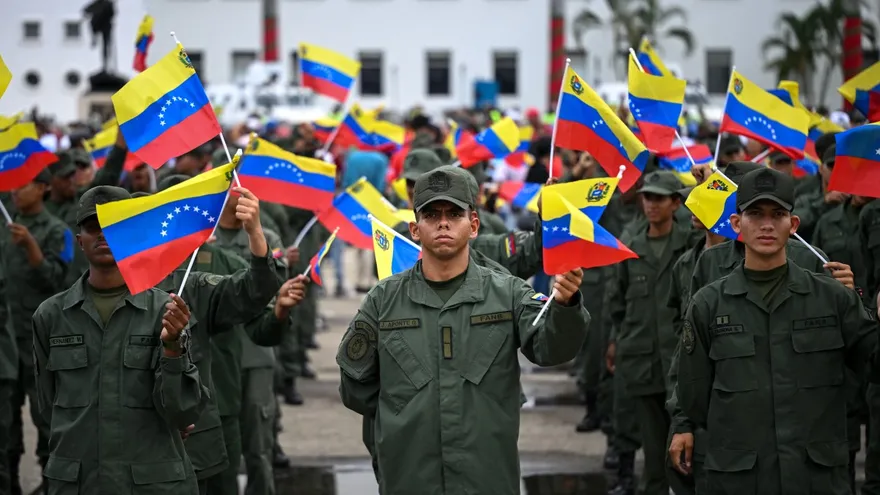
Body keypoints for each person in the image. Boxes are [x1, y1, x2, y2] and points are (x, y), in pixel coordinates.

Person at [337, 166, 590, 494]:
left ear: (472, 226)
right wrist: (403, 419)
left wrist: (566, 305)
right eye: (431, 215)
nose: (442, 222)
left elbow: (550, 348)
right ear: (415, 228)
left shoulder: (507, 293)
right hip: (410, 475)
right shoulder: (384, 299)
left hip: (485, 473)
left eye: (454, 214)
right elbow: (354, 385)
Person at [677, 168, 878, 495]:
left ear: (793, 225)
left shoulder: (832, 298)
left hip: (815, 478)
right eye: (755, 214)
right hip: (740, 479)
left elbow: (873, 363)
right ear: (736, 224)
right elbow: (692, 396)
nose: (767, 224)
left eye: (778, 214)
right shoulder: (709, 304)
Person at [32, 185, 206, 494]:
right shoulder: (51, 315)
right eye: (92, 227)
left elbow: (183, 411)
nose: (102, 234)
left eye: (115, 224)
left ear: (133, 235)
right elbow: (47, 406)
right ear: (80, 242)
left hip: (150, 484)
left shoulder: (163, 311)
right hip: (80, 483)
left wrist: (172, 347)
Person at [605, 171, 691, 495]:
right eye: (647, 197)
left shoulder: (690, 245)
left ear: (676, 202)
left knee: (686, 455)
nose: (650, 204)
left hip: (681, 365)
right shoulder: (632, 246)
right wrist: (615, 341)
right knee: (654, 455)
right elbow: (618, 303)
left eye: (658, 198)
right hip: (643, 363)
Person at [1, 169, 73, 494]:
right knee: (5, 424)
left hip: (41, 342)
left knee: (47, 419)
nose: (16, 190)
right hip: (6, 342)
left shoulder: (58, 231)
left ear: (43, 188)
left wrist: (32, 249)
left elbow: (61, 282)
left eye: (25, 184)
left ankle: (49, 485)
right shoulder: (4, 227)